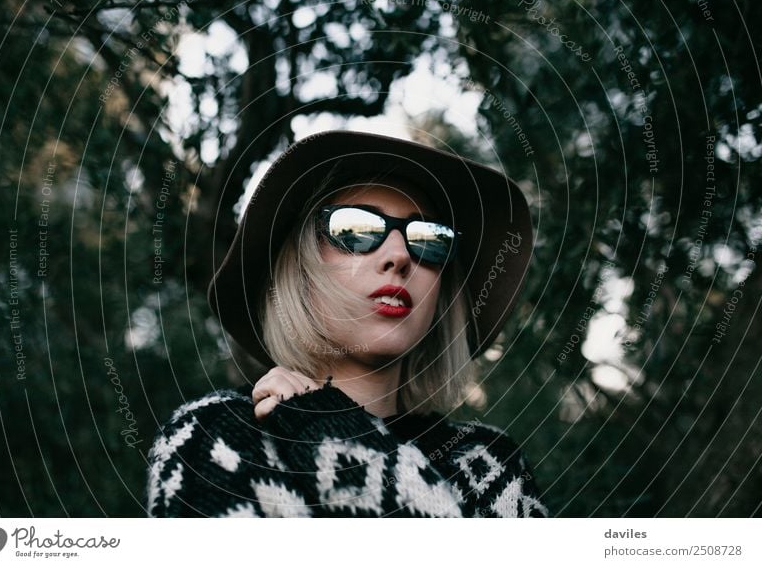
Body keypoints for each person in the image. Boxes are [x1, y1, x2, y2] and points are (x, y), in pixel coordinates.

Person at [145, 130, 550, 517]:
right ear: (300, 270)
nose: (399, 255)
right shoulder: (215, 433)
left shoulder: (492, 464)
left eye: (430, 238)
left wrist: (334, 429)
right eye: (356, 230)